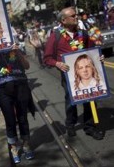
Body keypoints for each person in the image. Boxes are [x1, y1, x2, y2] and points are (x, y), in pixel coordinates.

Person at [43, 7, 104, 140]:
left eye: (76, 15)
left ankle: (90, 127)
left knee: (89, 99)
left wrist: (99, 57)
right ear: (63, 20)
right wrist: (57, 63)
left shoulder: (83, 33)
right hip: (69, 76)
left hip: (87, 73)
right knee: (71, 101)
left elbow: (93, 48)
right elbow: (47, 58)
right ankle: (70, 124)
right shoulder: (56, 36)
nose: (76, 17)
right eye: (73, 16)